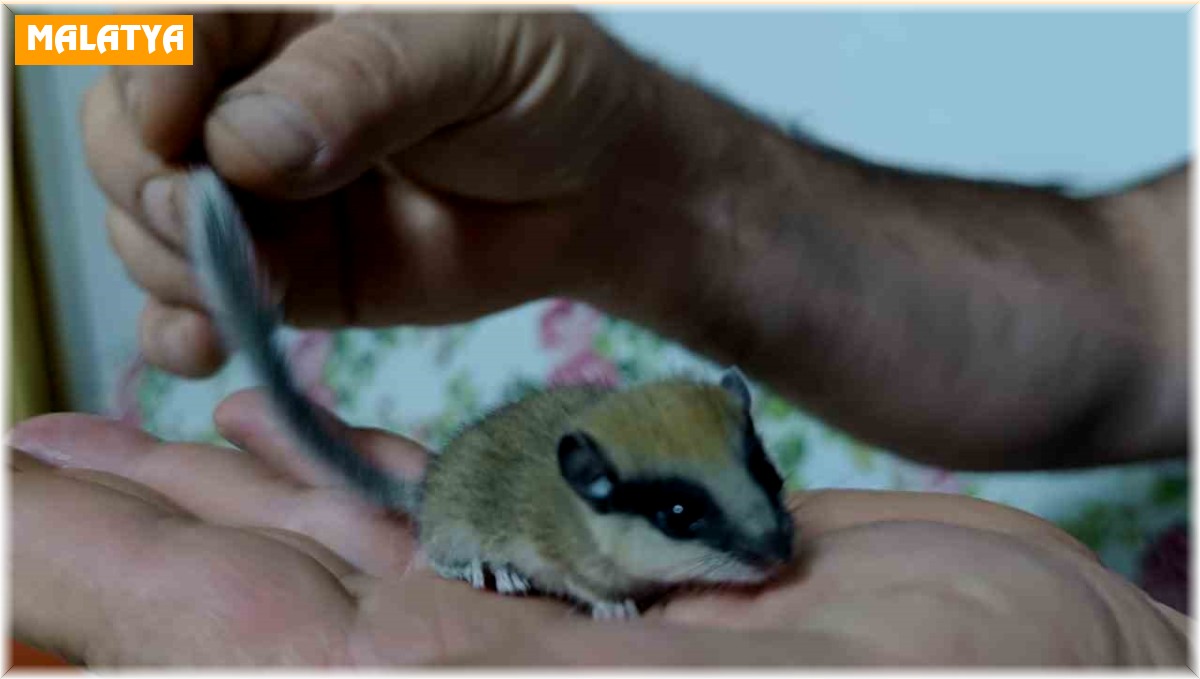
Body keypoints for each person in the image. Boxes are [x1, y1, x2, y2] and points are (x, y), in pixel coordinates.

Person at [12, 10, 1189, 666]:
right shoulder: (558, 517)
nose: (770, 543)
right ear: (597, 494)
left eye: (754, 492)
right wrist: (663, 194)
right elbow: (1156, 290)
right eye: (685, 519)